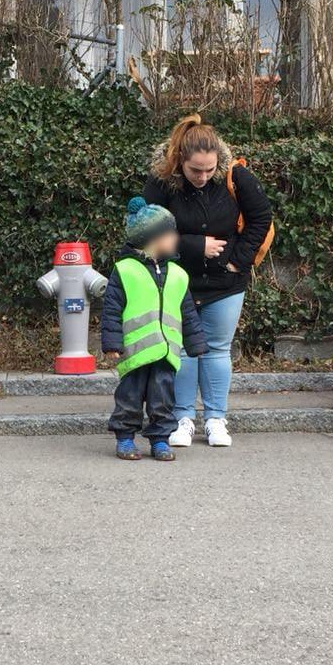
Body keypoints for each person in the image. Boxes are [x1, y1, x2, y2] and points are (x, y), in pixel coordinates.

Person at [141, 113, 273, 450]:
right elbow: (147, 229)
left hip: (224, 284)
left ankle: (216, 419)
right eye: (195, 170)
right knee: (182, 349)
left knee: (216, 349)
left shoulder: (236, 176)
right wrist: (195, 245)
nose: (202, 177)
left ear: (219, 161)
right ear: (180, 161)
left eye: (209, 170)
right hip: (177, 282)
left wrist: (236, 262)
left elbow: (261, 219)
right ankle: (182, 418)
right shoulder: (161, 181)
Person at [101, 197, 206, 461]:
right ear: (154, 238)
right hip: (135, 353)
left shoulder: (178, 274)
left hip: (165, 353)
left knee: (163, 400)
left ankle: (160, 440)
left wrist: (196, 344)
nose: (176, 238)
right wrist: (112, 343)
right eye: (172, 233)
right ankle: (125, 438)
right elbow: (112, 309)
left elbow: (187, 313)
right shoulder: (124, 270)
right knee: (129, 398)